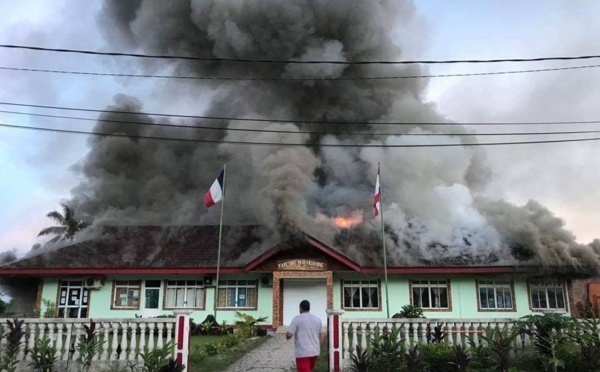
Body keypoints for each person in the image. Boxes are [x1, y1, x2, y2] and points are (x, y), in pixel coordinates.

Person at [286, 300, 325, 372]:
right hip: (315, 352)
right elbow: (322, 335)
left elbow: (289, 334)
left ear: (301, 308)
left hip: (302, 353)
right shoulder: (317, 319)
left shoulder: (297, 319)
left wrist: (287, 336)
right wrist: (318, 347)